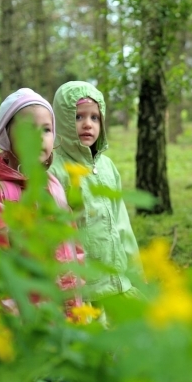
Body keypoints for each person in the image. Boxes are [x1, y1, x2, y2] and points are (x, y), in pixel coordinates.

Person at [0, 88, 85, 382]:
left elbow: (71, 245)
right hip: (27, 329)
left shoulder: (54, 186)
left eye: (46, 129)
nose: (39, 138)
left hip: (63, 322)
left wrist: (79, 299)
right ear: (6, 137)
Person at [49, 81, 141, 302]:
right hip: (86, 291)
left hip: (119, 283)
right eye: (78, 116)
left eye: (94, 117)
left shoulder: (108, 167)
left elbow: (122, 223)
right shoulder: (55, 169)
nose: (87, 124)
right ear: (61, 119)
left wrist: (136, 273)